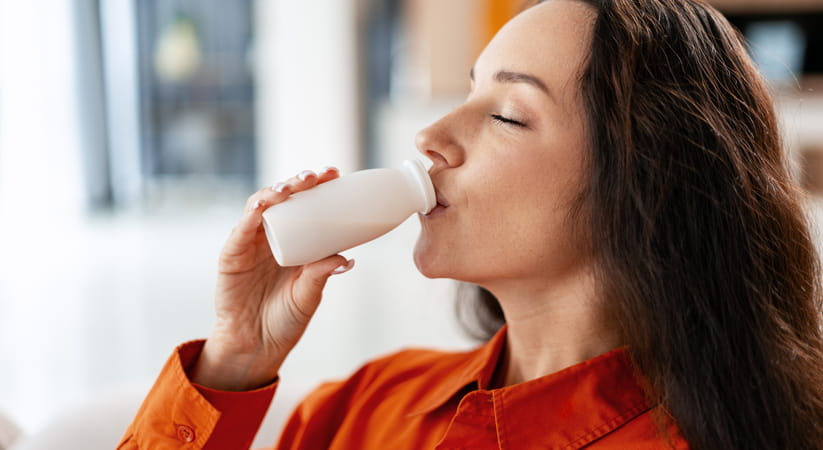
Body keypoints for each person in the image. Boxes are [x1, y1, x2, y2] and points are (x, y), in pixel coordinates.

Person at [119, 0, 823, 448]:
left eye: (507, 115)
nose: (429, 135)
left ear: (647, 182)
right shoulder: (365, 408)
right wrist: (235, 361)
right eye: (468, 90)